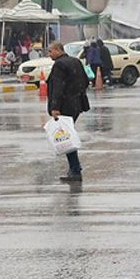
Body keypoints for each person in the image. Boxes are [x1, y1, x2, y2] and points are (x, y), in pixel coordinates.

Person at [46, 40, 91, 181]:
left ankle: (75, 170)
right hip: (76, 104)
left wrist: (55, 107)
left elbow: (57, 88)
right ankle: (74, 168)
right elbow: (85, 81)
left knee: (66, 138)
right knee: (68, 135)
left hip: (65, 106)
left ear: (59, 50)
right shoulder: (75, 61)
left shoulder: (59, 65)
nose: (49, 54)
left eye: (50, 51)